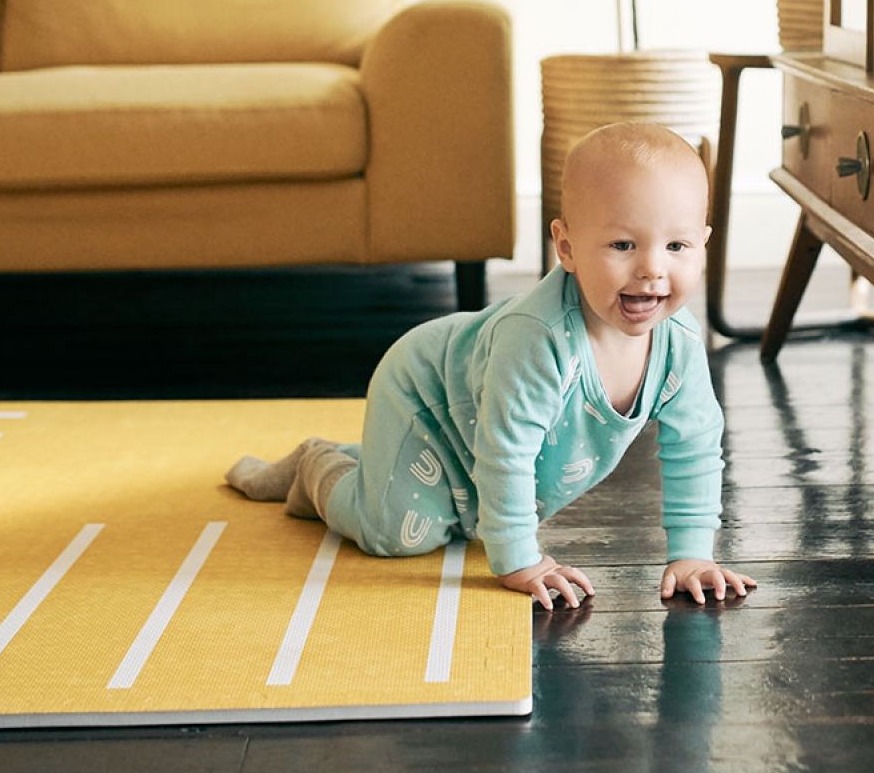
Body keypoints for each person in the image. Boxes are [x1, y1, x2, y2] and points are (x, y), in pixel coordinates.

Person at [225, 122, 756, 610]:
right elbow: (507, 451)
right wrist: (520, 561)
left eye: (677, 245)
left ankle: (377, 466)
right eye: (623, 244)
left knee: (466, 520)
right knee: (392, 532)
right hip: (427, 398)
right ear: (567, 247)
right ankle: (318, 465)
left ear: (703, 245)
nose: (652, 268)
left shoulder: (679, 344)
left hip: (482, 430)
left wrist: (692, 554)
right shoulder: (539, 339)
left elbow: (694, 445)